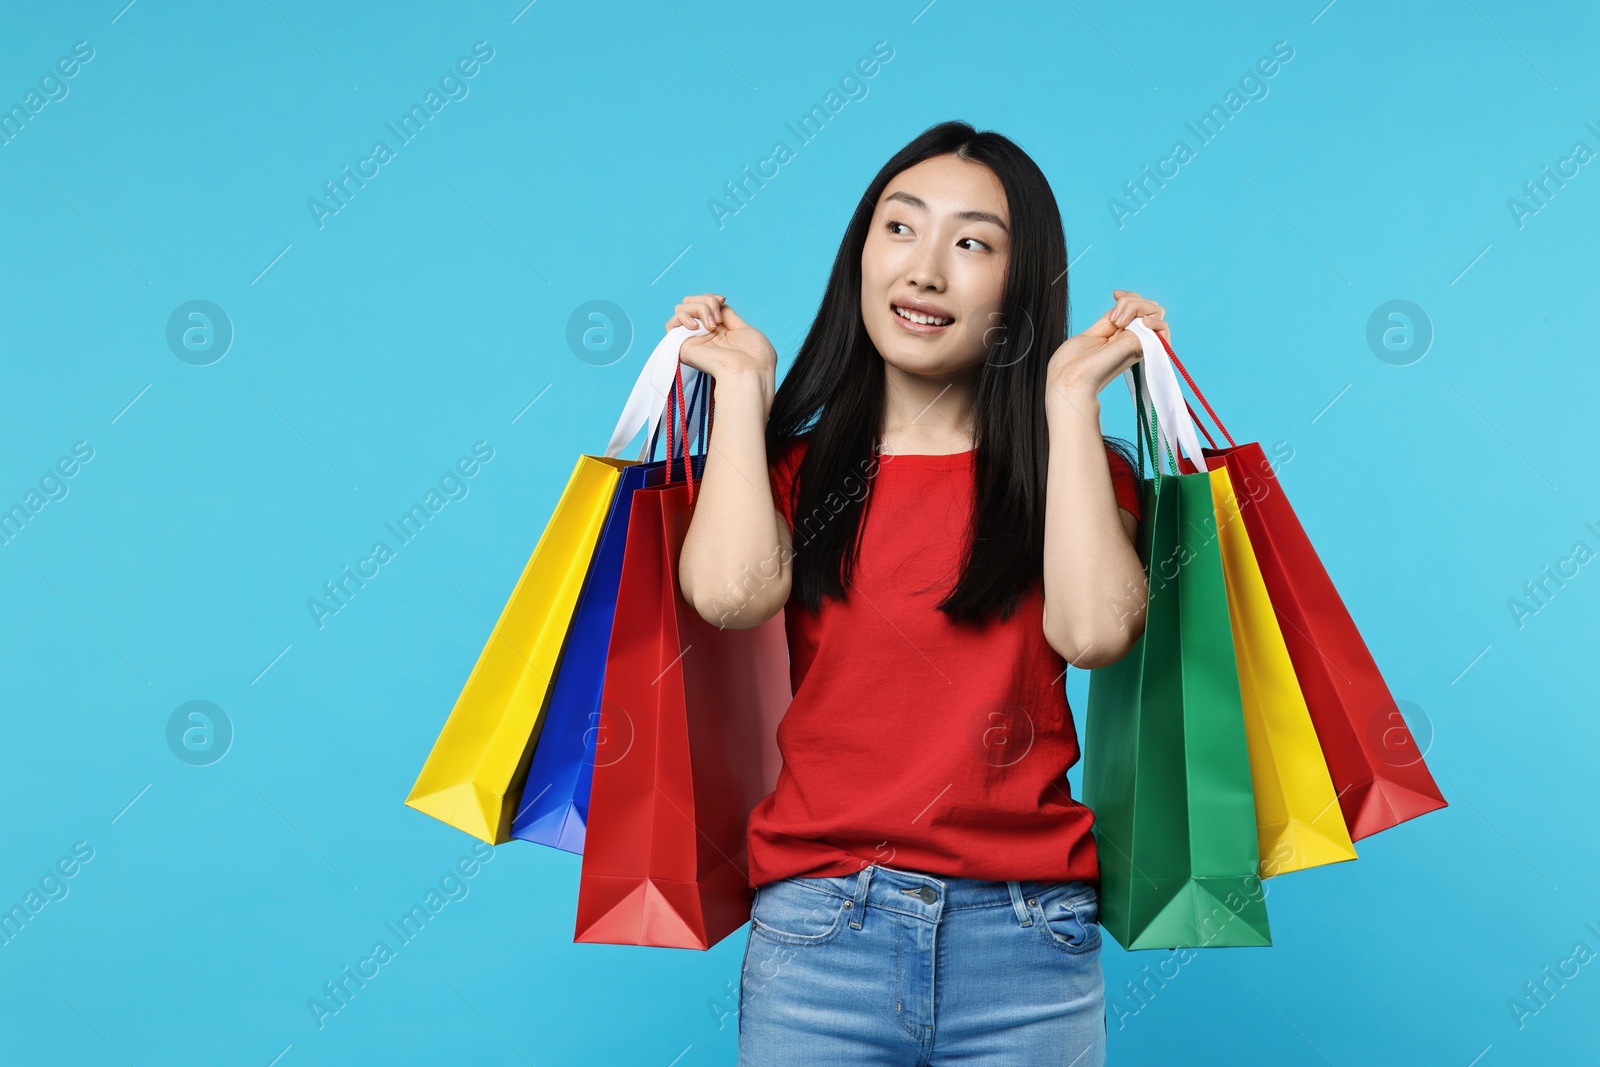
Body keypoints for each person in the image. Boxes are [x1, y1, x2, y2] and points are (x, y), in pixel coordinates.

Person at [671, 120, 1168, 1067]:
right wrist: (744, 391)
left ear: (1019, 292)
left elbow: (1097, 633)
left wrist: (1071, 404)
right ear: (861, 251)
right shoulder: (797, 473)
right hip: (820, 932)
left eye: (973, 243)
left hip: (1028, 938)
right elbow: (730, 596)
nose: (925, 269)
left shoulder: (1070, 475)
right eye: (900, 228)